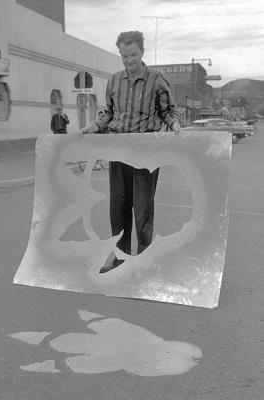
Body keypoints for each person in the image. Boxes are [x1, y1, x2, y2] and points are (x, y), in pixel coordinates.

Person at [79, 31, 180, 273]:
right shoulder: (114, 81)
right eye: (124, 55)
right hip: (119, 152)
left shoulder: (157, 80)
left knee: (143, 210)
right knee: (119, 208)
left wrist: (174, 124)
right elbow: (109, 113)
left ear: (142, 52)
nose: (129, 60)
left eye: (133, 54)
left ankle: (144, 262)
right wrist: (95, 125)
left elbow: (169, 111)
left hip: (147, 154)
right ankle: (120, 258)